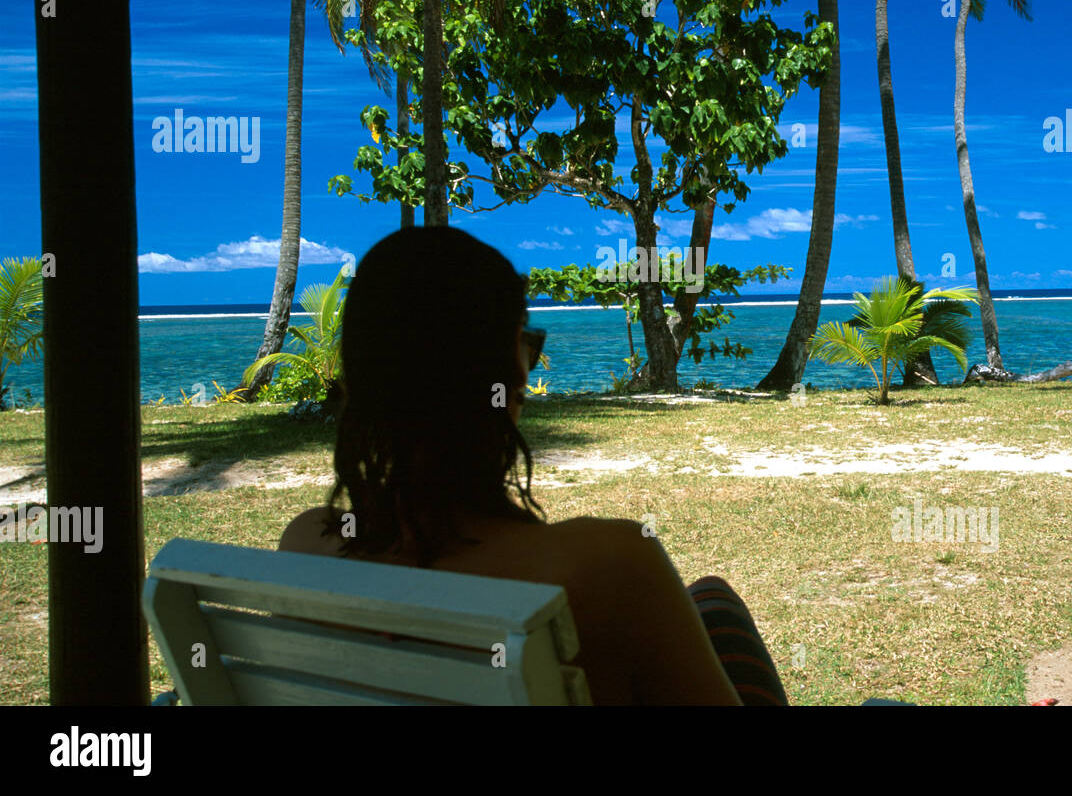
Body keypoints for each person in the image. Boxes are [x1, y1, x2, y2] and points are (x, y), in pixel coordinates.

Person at [279, 226, 788, 705]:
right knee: (713, 598)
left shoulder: (305, 545)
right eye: (521, 335)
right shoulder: (611, 565)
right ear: (505, 375)